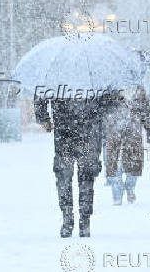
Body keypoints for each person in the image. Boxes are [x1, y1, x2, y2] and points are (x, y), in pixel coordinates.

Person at [34, 96, 103, 238]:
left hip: (69, 130)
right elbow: (107, 98)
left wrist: (44, 117)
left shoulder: (56, 76)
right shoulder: (93, 77)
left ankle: (72, 219)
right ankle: (79, 220)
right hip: (83, 129)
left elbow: (41, 92)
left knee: (70, 178)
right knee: (81, 178)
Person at [105, 86, 150, 205]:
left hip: (133, 132)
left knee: (134, 165)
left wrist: (148, 127)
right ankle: (117, 196)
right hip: (113, 131)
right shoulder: (108, 87)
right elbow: (101, 108)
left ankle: (130, 187)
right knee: (114, 165)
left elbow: (145, 110)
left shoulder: (139, 89)